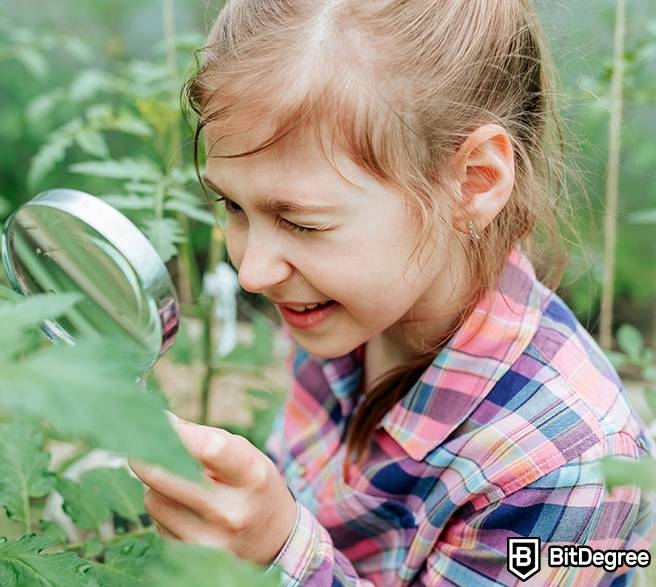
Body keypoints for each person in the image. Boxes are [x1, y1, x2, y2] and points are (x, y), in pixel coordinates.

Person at [127, 0, 656, 584]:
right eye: (232, 205)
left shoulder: (565, 467)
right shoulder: (345, 307)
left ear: (472, 183)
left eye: (303, 223)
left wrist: (276, 554)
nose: (253, 272)